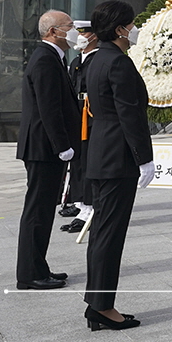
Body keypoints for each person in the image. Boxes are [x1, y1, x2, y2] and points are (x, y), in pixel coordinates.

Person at [83, 0, 154, 331]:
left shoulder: (97, 59)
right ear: (120, 29)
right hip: (117, 158)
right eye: (132, 23)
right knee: (109, 235)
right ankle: (102, 306)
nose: (135, 28)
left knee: (101, 233)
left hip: (100, 154)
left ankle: (97, 303)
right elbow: (131, 115)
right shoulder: (120, 64)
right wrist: (146, 158)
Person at [16, 10, 81, 290]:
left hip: (46, 147)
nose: (75, 31)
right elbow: (48, 108)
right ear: (54, 31)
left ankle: (38, 267)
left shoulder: (53, 57)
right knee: (37, 211)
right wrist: (62, 146)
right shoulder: (45, 59)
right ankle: (30, 274)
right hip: (44, 148)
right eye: (70, 26)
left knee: (43, 211)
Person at [61, 21, 99, 233]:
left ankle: (88, 207)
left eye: (83, 33)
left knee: (87, 161)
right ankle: (79, 204)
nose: (80, 36)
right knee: (77, 161)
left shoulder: (96, 59)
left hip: (90, 114)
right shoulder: (77, 60)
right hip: (76, 113)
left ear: (93, 36)